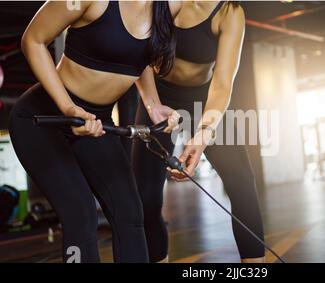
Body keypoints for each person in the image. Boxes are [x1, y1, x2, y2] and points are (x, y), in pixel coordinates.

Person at [8, 0, 180, 263]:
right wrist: (68, 108)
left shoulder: (170, 5)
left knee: (130, 213)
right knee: (80, 214)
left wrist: (153, 105)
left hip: (95, 124)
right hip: (43, 120)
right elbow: (33, 40)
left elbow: (139, 55)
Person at [132, 1, 266, 263]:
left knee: (243, 187)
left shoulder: (229, 13)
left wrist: (204, 132)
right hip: (158, 98)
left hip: (205, 100)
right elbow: (138, 56)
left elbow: (222, 83)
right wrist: (152, 105)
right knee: (145, 198)